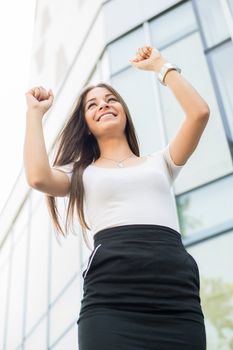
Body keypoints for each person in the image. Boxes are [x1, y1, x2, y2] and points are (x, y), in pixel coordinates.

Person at [24, 46, 209, 349]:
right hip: (111, 299)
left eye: (111, 100)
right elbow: (38, 176)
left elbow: (199, 113)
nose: (104, 106)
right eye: (92, 105)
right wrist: (34, 114)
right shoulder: (79, 173)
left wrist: (161, 66)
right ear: (85, 125)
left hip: (175, 296)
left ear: (124, 111)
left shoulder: (161, 162)